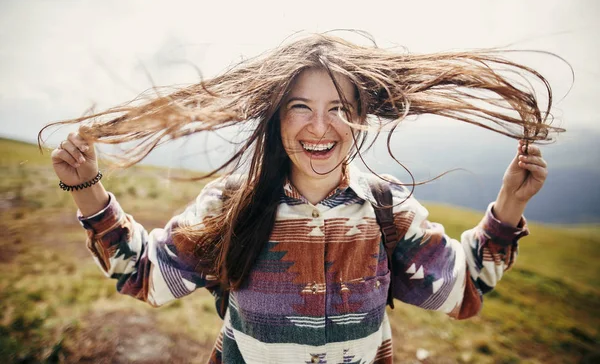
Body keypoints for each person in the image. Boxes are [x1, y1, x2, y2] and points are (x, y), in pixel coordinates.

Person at [43, 33, 560, 364]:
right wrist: (87, 190)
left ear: (359, 116)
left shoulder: (387, 210)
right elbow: (146, 276)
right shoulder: (232, 206)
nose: (320, 126)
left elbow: (461, 290)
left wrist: (509, 207)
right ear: (277, 116)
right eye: (300, 107)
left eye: (339, 107)